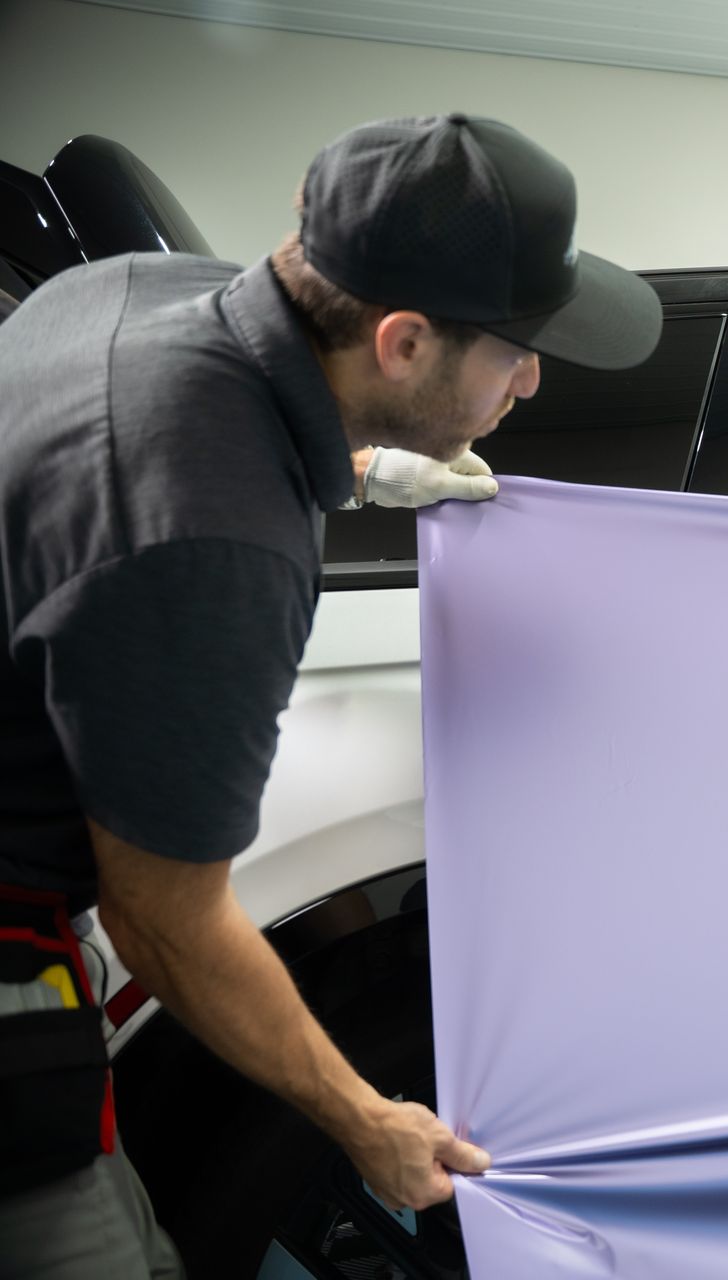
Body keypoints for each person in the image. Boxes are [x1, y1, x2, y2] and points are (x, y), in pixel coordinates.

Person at [0, 113, 662, 1277]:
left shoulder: (129, 291)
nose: (534, 375)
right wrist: (367, 1115)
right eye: (514, 347)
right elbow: (163, 913)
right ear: (403, 341)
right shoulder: (213, 536)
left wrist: (364, 466)